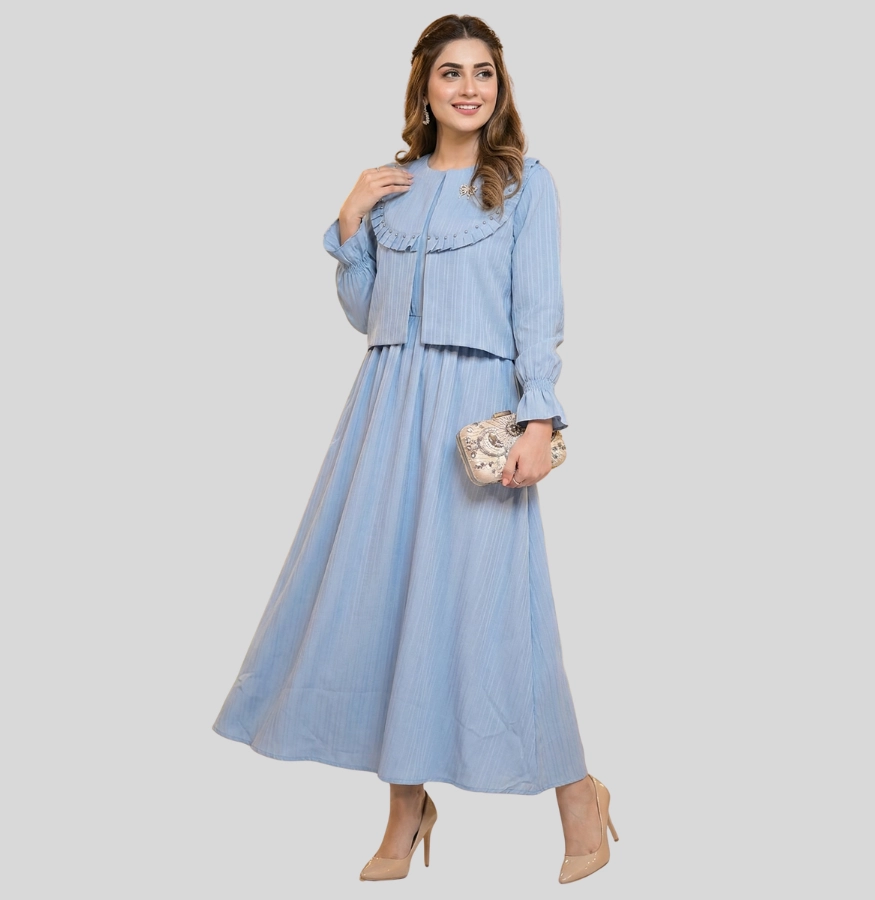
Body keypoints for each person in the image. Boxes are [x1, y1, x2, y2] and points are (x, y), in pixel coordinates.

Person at [211, 13, 618, 885]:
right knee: (391, 606)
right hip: (387, 413)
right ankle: (406, 810)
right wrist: (350, 219)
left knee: (501, 615)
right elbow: (369, 315)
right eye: (451, 73)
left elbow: (538, 311)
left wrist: (539, 419)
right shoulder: (391, 186)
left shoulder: (525, 186)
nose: (469, 87)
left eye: (483, 72)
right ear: (424, 88)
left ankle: (579, 792)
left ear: (500, 86)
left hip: (476, 417)